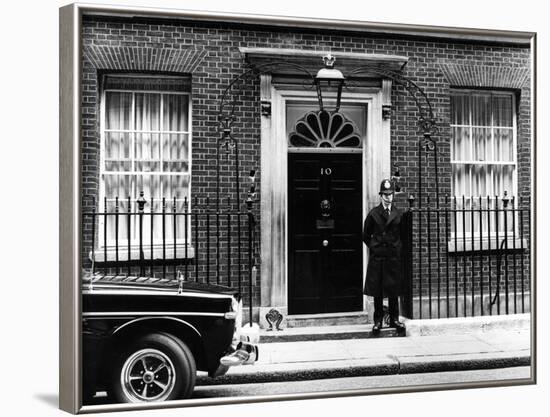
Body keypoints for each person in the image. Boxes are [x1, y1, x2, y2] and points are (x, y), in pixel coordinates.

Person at [363, 179, 406, 334]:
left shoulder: (398, 214)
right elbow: (365, 235)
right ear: (381, 195)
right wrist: (375, 248)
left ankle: (394, 319)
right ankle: (378, 321)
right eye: (385, 194)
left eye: (391, 194)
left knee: (393, 290)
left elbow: (403, 236)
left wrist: (397, 249)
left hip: (393, 258)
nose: (388, 197)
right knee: (378, 291)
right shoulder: (374, 213)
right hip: (379, 258)